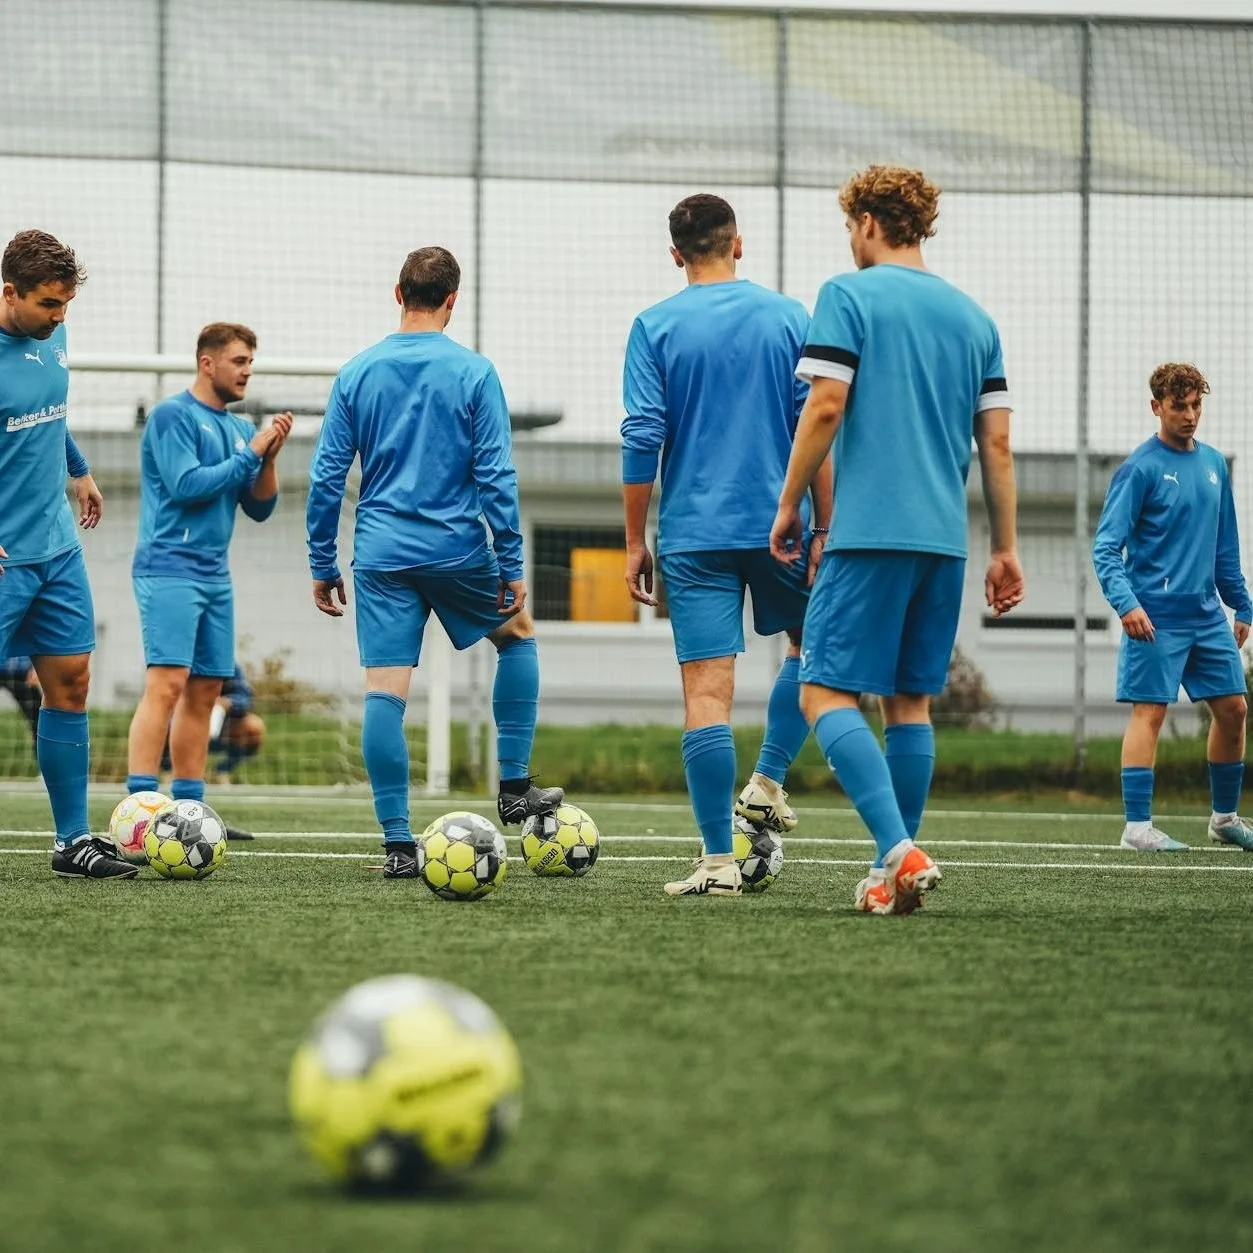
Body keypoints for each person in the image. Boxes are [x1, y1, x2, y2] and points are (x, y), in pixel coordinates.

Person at [771, 165, 1024, 915]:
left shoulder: (847, 295)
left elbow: (824, 405)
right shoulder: (974, 318)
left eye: (850, 226)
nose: (848, 240)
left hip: (868, 532)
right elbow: (998, 446)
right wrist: (1005, 548)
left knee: (820, 689)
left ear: (869, 224)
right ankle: (895, 873)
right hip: (944, 540)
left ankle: (897, 848)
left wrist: (788, 504)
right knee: (908, 702)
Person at [306, 246, 562, 878]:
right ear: (453, 300)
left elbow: (325, 477)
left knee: (384, 693)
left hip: (381, 555)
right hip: (455, 548)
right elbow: (496, 475)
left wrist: (322, 559)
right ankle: (514, 786)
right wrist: (510, 559)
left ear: (398, 294)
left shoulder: (357, 372)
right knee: (517, 636)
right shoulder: (474, 372)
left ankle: (398, 845)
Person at [620, 194, 829, 897]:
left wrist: (631, 540)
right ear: (738, 244)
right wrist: (824, 522)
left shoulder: (653, 325)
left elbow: (642, 434)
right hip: (785, 526)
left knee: (706, 695)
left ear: (675, 253)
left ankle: (716, 861)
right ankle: (767, 780)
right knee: (816, 655)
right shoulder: (790, 317)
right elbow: (817, 425)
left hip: (693, 533)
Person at [0, 229, 133, 877]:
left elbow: (47, 412)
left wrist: (77, 469)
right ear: (9, 293)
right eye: (50, 304)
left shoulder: (53, 336)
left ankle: (72, 840)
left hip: (54, 547)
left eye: (67, 304)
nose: (61, 318)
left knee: (71, 681)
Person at [124, 323, 291, 837]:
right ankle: (141, 812)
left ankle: (191, 812)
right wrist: (249, 453)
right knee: (168, 684)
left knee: (205, 690)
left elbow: (260, 508)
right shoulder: (173, 416)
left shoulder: (242, 430)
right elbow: (186, 486)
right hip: (168, 566)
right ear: (207, 363)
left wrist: (267, 457)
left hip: (215, 575)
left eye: (250, 364)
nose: (246, 372)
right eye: (239, 361)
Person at [1093, 363, 1253, 853]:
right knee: (1151, 713)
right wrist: (1127, 605)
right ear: (1156, 407)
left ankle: (1224, 819)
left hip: (1206, 615)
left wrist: (1241, 604)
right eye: (1179, 406)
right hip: (1154, 617)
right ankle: (1136, 829)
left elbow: (1224, 546)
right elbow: (1106, 549)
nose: (1189, 415)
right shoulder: (1139, 468)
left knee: (1233, 709)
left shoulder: (1212, 467)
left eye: (1196, 405)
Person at [1, 655, 41, 747]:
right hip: (17, 668)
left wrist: (36, 666)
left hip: (21, 669)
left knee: (38, 721)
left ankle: (42, 756)